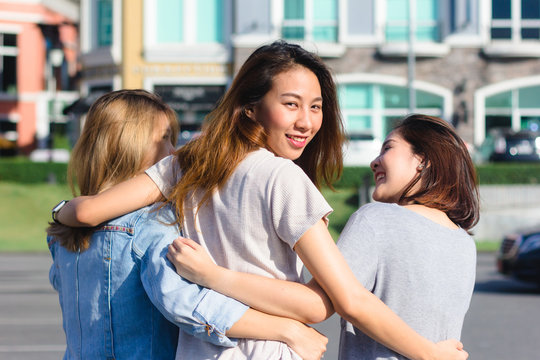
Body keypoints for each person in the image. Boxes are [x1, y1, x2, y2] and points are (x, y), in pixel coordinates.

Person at [54, 41, 468, 360]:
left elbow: (89, 210)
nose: (306, 121)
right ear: (250, 109)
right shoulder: (282, 179)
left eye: (316, 107)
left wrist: (59, 212)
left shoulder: (186, 164)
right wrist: (429, 353)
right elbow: (329, 304)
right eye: (290, 104)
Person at [46, 89, 327, 360]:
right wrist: (288, 330)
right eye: (165, 139)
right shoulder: (150, 227)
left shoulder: (63, 235)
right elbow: (190, 306)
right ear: (130, 147)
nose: (174, 151)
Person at [334, 113, 479, 359]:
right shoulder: (464, 242)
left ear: (423, 159)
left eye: (387, 148)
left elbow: (336, 300)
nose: (374, 162)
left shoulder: (375, 219)